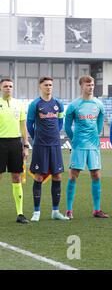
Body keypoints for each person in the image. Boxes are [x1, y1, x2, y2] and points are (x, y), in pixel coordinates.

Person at [64, 75, 108, 219]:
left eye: (92, 84)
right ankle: (69, 210)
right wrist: (75, 140)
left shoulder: (98, 104)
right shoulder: (74, 105)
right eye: (88, 85)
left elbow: (100, 123)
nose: (91, 87)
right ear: (81, 86)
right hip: (79, 145)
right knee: (73, 175)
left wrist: (95, 137)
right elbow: (67, 127)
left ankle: (97, 210)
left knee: (96, 174)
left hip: (93, 145)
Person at [27, 76, 68, 221]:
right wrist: (37, 137)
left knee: (57, 176)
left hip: (55, 145)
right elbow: (29, 125)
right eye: (46, 85)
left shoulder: (58, 104)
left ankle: (55, 212)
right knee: (38, 176)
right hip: (40, 145)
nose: (49, 87)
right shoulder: (35, 104)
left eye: (50, 85)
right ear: (40, 87)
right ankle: (36, 212)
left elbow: (61, 121)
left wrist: (54, 134)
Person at [0, 78, 30, 223]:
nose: (8, 88)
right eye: (5, 86)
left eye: (10, 86)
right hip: (0, 142)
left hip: (15, 143)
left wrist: (25, 145)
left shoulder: (19, 104)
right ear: (1, 88)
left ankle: (20, 213)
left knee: (17, 177)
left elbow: (23, 126)